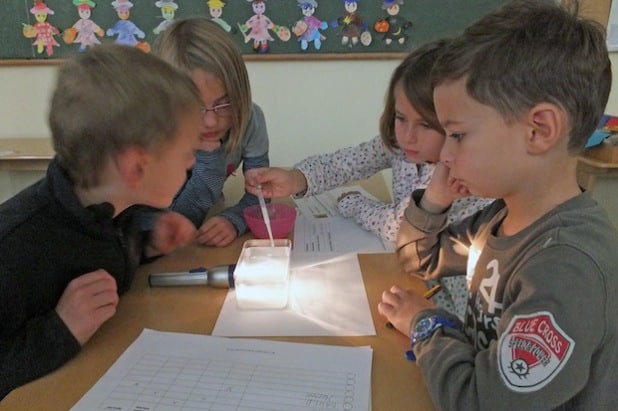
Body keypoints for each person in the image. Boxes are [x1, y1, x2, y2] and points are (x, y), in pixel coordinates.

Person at [378, 0, 617, 409]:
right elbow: (418, 257)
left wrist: (427, 324)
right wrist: (437, 195)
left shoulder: (564, 267)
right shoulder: (504, 217)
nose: (445, 156)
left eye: (457, 135)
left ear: (539, 130)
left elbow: (481, 402)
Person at [0, 44, 201, 398]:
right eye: (187, 153)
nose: (191, 164)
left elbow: (104, 251)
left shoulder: (111, 208)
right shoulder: (13, 251)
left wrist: (147, 243)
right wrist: (61, 329)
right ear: (136, 167)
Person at [246, 40, 492, 318]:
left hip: (455, 298)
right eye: (400, 118)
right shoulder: (402, 147)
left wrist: (353, 202)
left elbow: (399, 228)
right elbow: (344, 164)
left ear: (454, 125)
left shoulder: (455, 171)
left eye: (425, 124)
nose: (408, 135)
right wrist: (295, 178)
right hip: (413, 270)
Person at [153, 17, 270, 247]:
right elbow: (173, 224)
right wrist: (208, 160)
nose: (210, 121)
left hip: (206, 221)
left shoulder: (249, 118)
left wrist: (235, 219)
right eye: (193, 106)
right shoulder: (154, 133)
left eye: (224, 103)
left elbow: (261, 195)